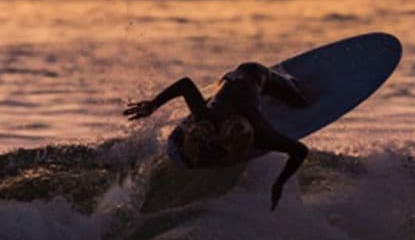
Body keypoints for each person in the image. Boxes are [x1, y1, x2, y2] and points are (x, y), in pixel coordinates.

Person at [123, 62, 312, 208]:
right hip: (235, 79)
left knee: (301, 102)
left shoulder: (265, 135)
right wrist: (152, 105)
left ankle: (288, 82)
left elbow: (300, 151)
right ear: (222, 136)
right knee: (204, 118)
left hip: (256, 75)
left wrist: (279, 183)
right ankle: (218, 97)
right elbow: (185, 84)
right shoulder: (209, 118)